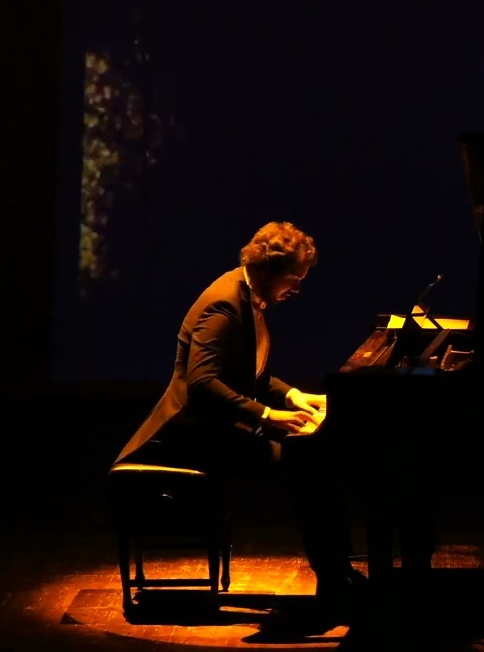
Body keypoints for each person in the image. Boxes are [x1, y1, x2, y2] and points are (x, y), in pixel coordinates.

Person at [112, 220, 364, 619]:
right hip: (189, 437)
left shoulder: (250, 297)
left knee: (313, 463)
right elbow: (203, 384)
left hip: (215, 428)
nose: (297, 288)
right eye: (294, 278)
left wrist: (293, 395)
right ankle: (336, 581)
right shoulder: (224, 306)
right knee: (307, 465)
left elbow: (250, 375)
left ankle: (339, 575)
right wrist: (267, 417)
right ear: (268, 269)